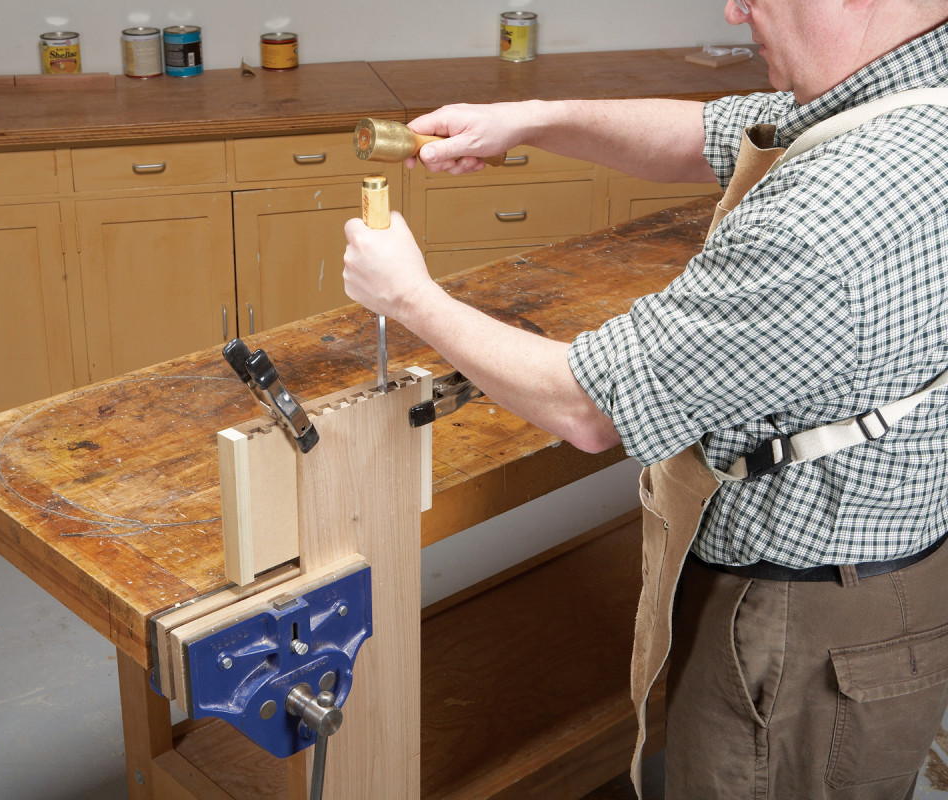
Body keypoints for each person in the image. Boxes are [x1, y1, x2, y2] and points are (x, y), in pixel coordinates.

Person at [343, 1, 948, 798]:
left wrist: (412, 299)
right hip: (892, 567)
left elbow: (589, 409)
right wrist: (529, 120)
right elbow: (706, 135)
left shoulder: (830, 214)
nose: (736, 8)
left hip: (806, 624)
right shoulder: (906, 93)